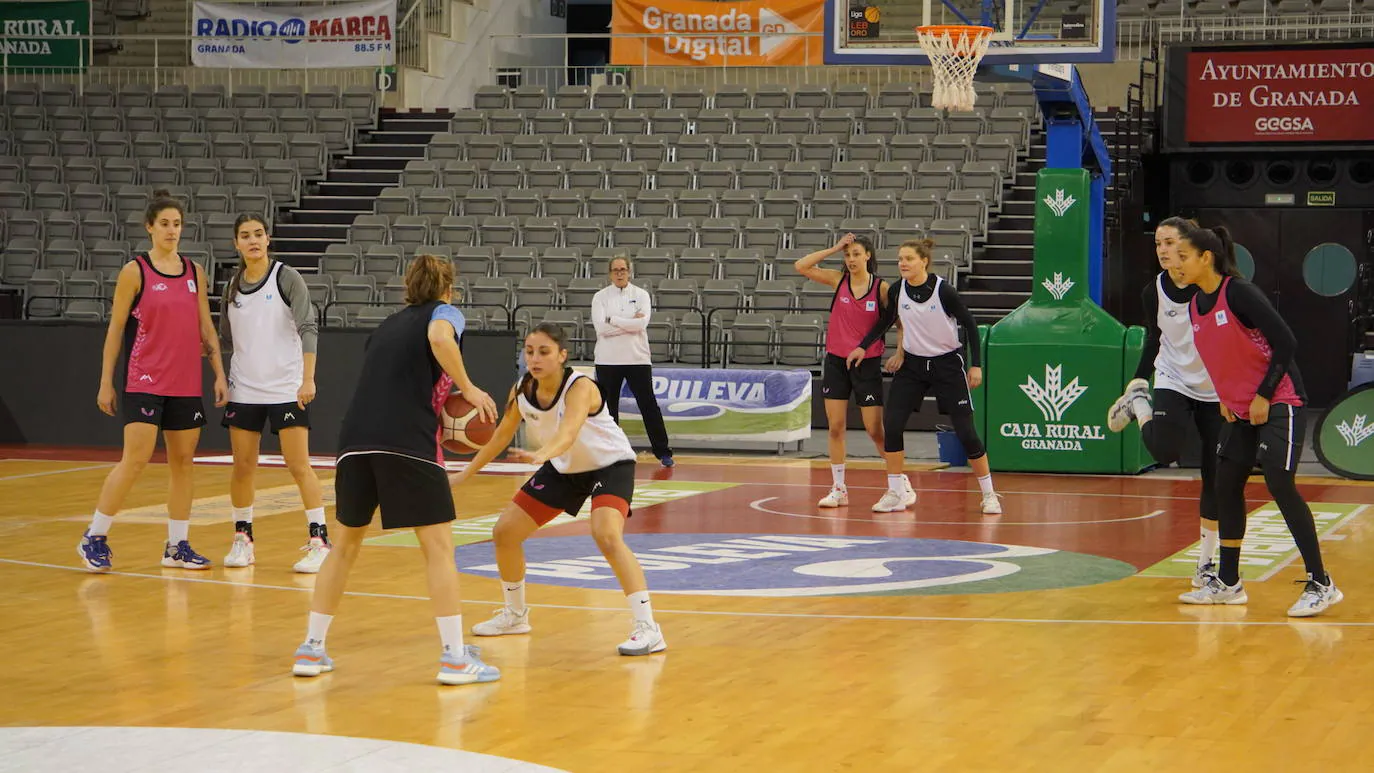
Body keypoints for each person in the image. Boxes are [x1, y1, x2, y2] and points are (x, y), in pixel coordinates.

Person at [291, 254, 502, 684]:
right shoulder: (446, 313)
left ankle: (312, 649)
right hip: (405, 441)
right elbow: (442, 339)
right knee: (439, 550)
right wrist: (468, 387)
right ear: (448, 288)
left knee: (344, 548)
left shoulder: (387, 325)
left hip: (354, 442)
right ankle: (455, 657)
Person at [451, 323, 667, 656]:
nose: (534, 358)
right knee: (505, 532)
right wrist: (465, 473)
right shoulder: (522, 389)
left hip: (609, 465)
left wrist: (540, 454)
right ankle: (515, 615)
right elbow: (500, 436)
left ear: (562, 355)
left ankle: (648, 627)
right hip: (564, 467)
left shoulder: (580, 386)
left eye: (544, 351)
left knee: (606, 534)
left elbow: (568, 432)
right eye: (529, 351)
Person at [1171, 225, 1341, 617]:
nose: (1175, 264)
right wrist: (1228, 400)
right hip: (1240, 408)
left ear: (1205, 258)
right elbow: (1219, 357)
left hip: (1280, 399)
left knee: (1280, 483)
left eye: (1183, 256)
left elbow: (1286, 342)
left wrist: (1264, 393)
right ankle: (1228, 583)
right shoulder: (1196, 304)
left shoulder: (1239, 293)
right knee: (1226, 485)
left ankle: (1322, 582)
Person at [78, 190, 228, 572]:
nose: (172, 230)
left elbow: (206, 327)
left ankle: (177, 545)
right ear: (150, 227)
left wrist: (219, 374)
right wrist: (105, 382)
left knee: (183, 463)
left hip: (185, 383)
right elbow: (115, 330)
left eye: (177, 224)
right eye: (164, 224)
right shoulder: (135, 272)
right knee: (136, 460)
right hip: (144, 379)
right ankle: (94, 535)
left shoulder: (195, 272)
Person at [1106, 217, 1224, 588]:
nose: (1162, 250)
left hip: (1216, 386)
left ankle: (1206, 562)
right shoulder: (1152, 290)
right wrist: (1139, 378)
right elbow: (1156, 339)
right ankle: (1139, 401)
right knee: (1164, 448)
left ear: (1190, 248)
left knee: (1216, 477)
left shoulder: (1213, 286)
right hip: (1174, 379)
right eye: (1158, 243)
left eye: (1170, 242)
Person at [848, 239, 1001, 515]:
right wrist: (863, 346)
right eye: (899, 259)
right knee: (892, 426)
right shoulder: (897, 291)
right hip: (913, 366)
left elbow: (969, 324)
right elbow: (884, 322)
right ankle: (896, 492)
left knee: (966, 432)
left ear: (923, 262)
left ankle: (989, 494)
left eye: (908, 259)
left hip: (947, 364)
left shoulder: (944, 291)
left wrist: (975, 365)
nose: (902, 264)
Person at [219, 214, 330, 572]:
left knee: (299, 465)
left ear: (268, 240)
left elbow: (308, 327)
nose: (252, 240)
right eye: (244, 236)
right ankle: (243, 539)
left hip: (285, 387)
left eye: (258, 234)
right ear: (237, 244)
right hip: (245, 389)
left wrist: (308, 379)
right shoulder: (232, 285)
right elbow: (225, 339)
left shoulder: (286, 278)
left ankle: (319, 539)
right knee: (242, 467)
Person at [795, 233, 893, 508]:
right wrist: (836, 246)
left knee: (875, 429)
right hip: (836, 361)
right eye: (847, 255)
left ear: (868, 256)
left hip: (867, 363)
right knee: (836, 427)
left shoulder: (881, 288)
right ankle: (839, 487)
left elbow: (895, 321)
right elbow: (801, 266)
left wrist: (900, 350)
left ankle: (899, 481)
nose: (851, 259)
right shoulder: (839, 281)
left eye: (856, 254)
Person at [591, 255, 673, 468]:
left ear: (629, 272)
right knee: (608, 409)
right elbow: (601, 329)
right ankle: (612, 454)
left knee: (648, 405)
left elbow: (641, 324)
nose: (619, 273)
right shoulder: (600, 297)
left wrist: (614, 320)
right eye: (615, 270)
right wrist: (629, 322)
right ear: (610, 273)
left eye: (623, 269)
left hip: (637, 358)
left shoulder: (641, 294)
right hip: (607, 360)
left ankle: (663, 452)